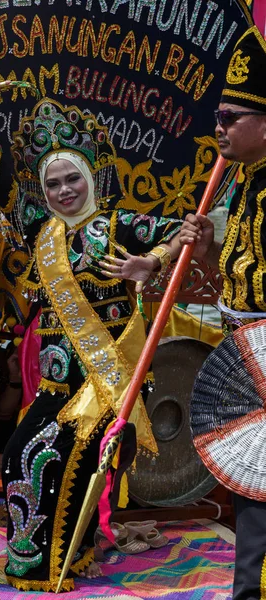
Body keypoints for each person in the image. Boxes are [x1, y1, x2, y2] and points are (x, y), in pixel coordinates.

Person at [0, 85, 182, 591]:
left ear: (90, 176)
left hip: (103, 380)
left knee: (53, 457)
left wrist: (150, 261)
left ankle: (55, 565)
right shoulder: (39, 229)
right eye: (53, 185)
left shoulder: (117, 225)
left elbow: (183, 230)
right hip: (55, 385)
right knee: (25, 455)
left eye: (72, 179)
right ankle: (62, 556)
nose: (65, 191)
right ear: (42, 193)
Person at [180, 25, 266, 600]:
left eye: (231, 116)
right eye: (218, 117)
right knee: (251, 498)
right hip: (246, 360)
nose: (219, 128)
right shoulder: (245, 184)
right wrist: (208, 252)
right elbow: (237, 287)